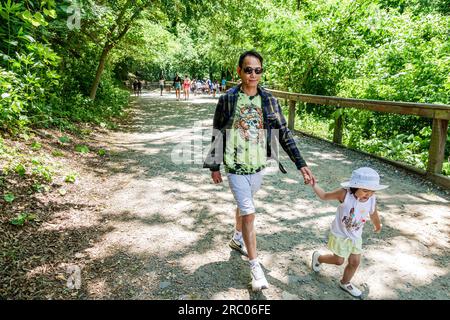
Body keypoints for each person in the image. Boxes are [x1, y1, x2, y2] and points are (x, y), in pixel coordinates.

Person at [203, 50, 315, 291]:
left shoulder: (270, 100)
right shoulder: (228, 99)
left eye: (257, 70)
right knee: (249, 212)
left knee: (246, 205)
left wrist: (301, 164)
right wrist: (214, 165)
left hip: (258, 166)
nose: (253, 74)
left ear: (261, 72)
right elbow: (218, 131)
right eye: (248, 69)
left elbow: (283, 134)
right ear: (239, 71)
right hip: (235, 166)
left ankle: (236, 238)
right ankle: (255, 268)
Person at [310, 167, 388, 298]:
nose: (368, 194)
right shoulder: (344, 194)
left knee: (355, 262)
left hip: (356, 236)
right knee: (339, 260)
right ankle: (318, 257)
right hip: (340, 235)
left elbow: (373, 212)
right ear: (354, 187)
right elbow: (324, 196)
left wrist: (377, 224)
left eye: (372, 191)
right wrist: (314, 184)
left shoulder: (371, 199)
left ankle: (345, 282)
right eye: (365, 191)